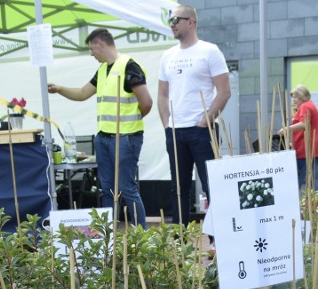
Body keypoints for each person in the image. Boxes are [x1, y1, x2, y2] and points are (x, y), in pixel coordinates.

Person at [48, 28, 152, 228]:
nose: (91, 54)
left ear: (100, 44)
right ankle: (107, 235)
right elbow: (81, 93)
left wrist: (130, 123)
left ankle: (142, 234)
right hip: (103, 138)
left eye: (90, 49)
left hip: (126, 137)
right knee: (106, 189)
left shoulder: (130, 66)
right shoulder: (103, 70)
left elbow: (146, 102)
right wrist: (60, 89)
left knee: (126, 188)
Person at [158, 4, 230, 226]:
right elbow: (162, 94)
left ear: (191, 22)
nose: (172, 25)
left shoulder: (210, 51)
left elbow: (224, 92)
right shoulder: (167, 55)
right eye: (170, 21)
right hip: (176, 130)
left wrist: (205, 121)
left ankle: (217, 240)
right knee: (178, 189)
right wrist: (167, 125)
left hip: (202, 130)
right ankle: (180, 242)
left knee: (211, 186)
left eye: (176, 20)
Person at [279, 84, 318, 191]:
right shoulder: (310, 105)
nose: (294, 100)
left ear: (301, 96)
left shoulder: (305, 106)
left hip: (306, 148)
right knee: (313, 177)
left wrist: (286, 129)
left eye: (295, 97)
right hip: (311, 147)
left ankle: (294, 203)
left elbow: (304, 124)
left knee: (299, 178)